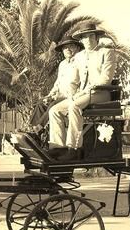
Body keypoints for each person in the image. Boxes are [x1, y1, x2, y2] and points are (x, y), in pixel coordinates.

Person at [48, 22, 117, 161]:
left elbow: (105, 79)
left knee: (74, 106)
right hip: (83, 95)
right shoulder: (79, 57)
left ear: (96, 37)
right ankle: (57, 147)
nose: (88, 40)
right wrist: (67, 94)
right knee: (54, 110)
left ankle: (74, 148)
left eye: (91, 36)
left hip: (100, 94)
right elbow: (74, 80)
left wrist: (84, 92)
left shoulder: (106, 53)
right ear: (81, 40)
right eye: (84, 37)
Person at [27, 34, 83, 134]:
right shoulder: (63, 64)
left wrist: (74, 96)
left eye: (71, 46)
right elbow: (57, 83)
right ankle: (31, 131)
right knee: (41, 103)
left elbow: (83, 83)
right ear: (62, 51)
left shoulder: (81, 63)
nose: (68, 49)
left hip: (73, 98)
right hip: (59, 97)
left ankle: (37, 129)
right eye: (65, 47)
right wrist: (49, 95)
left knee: (53, 105)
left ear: (78, 48)